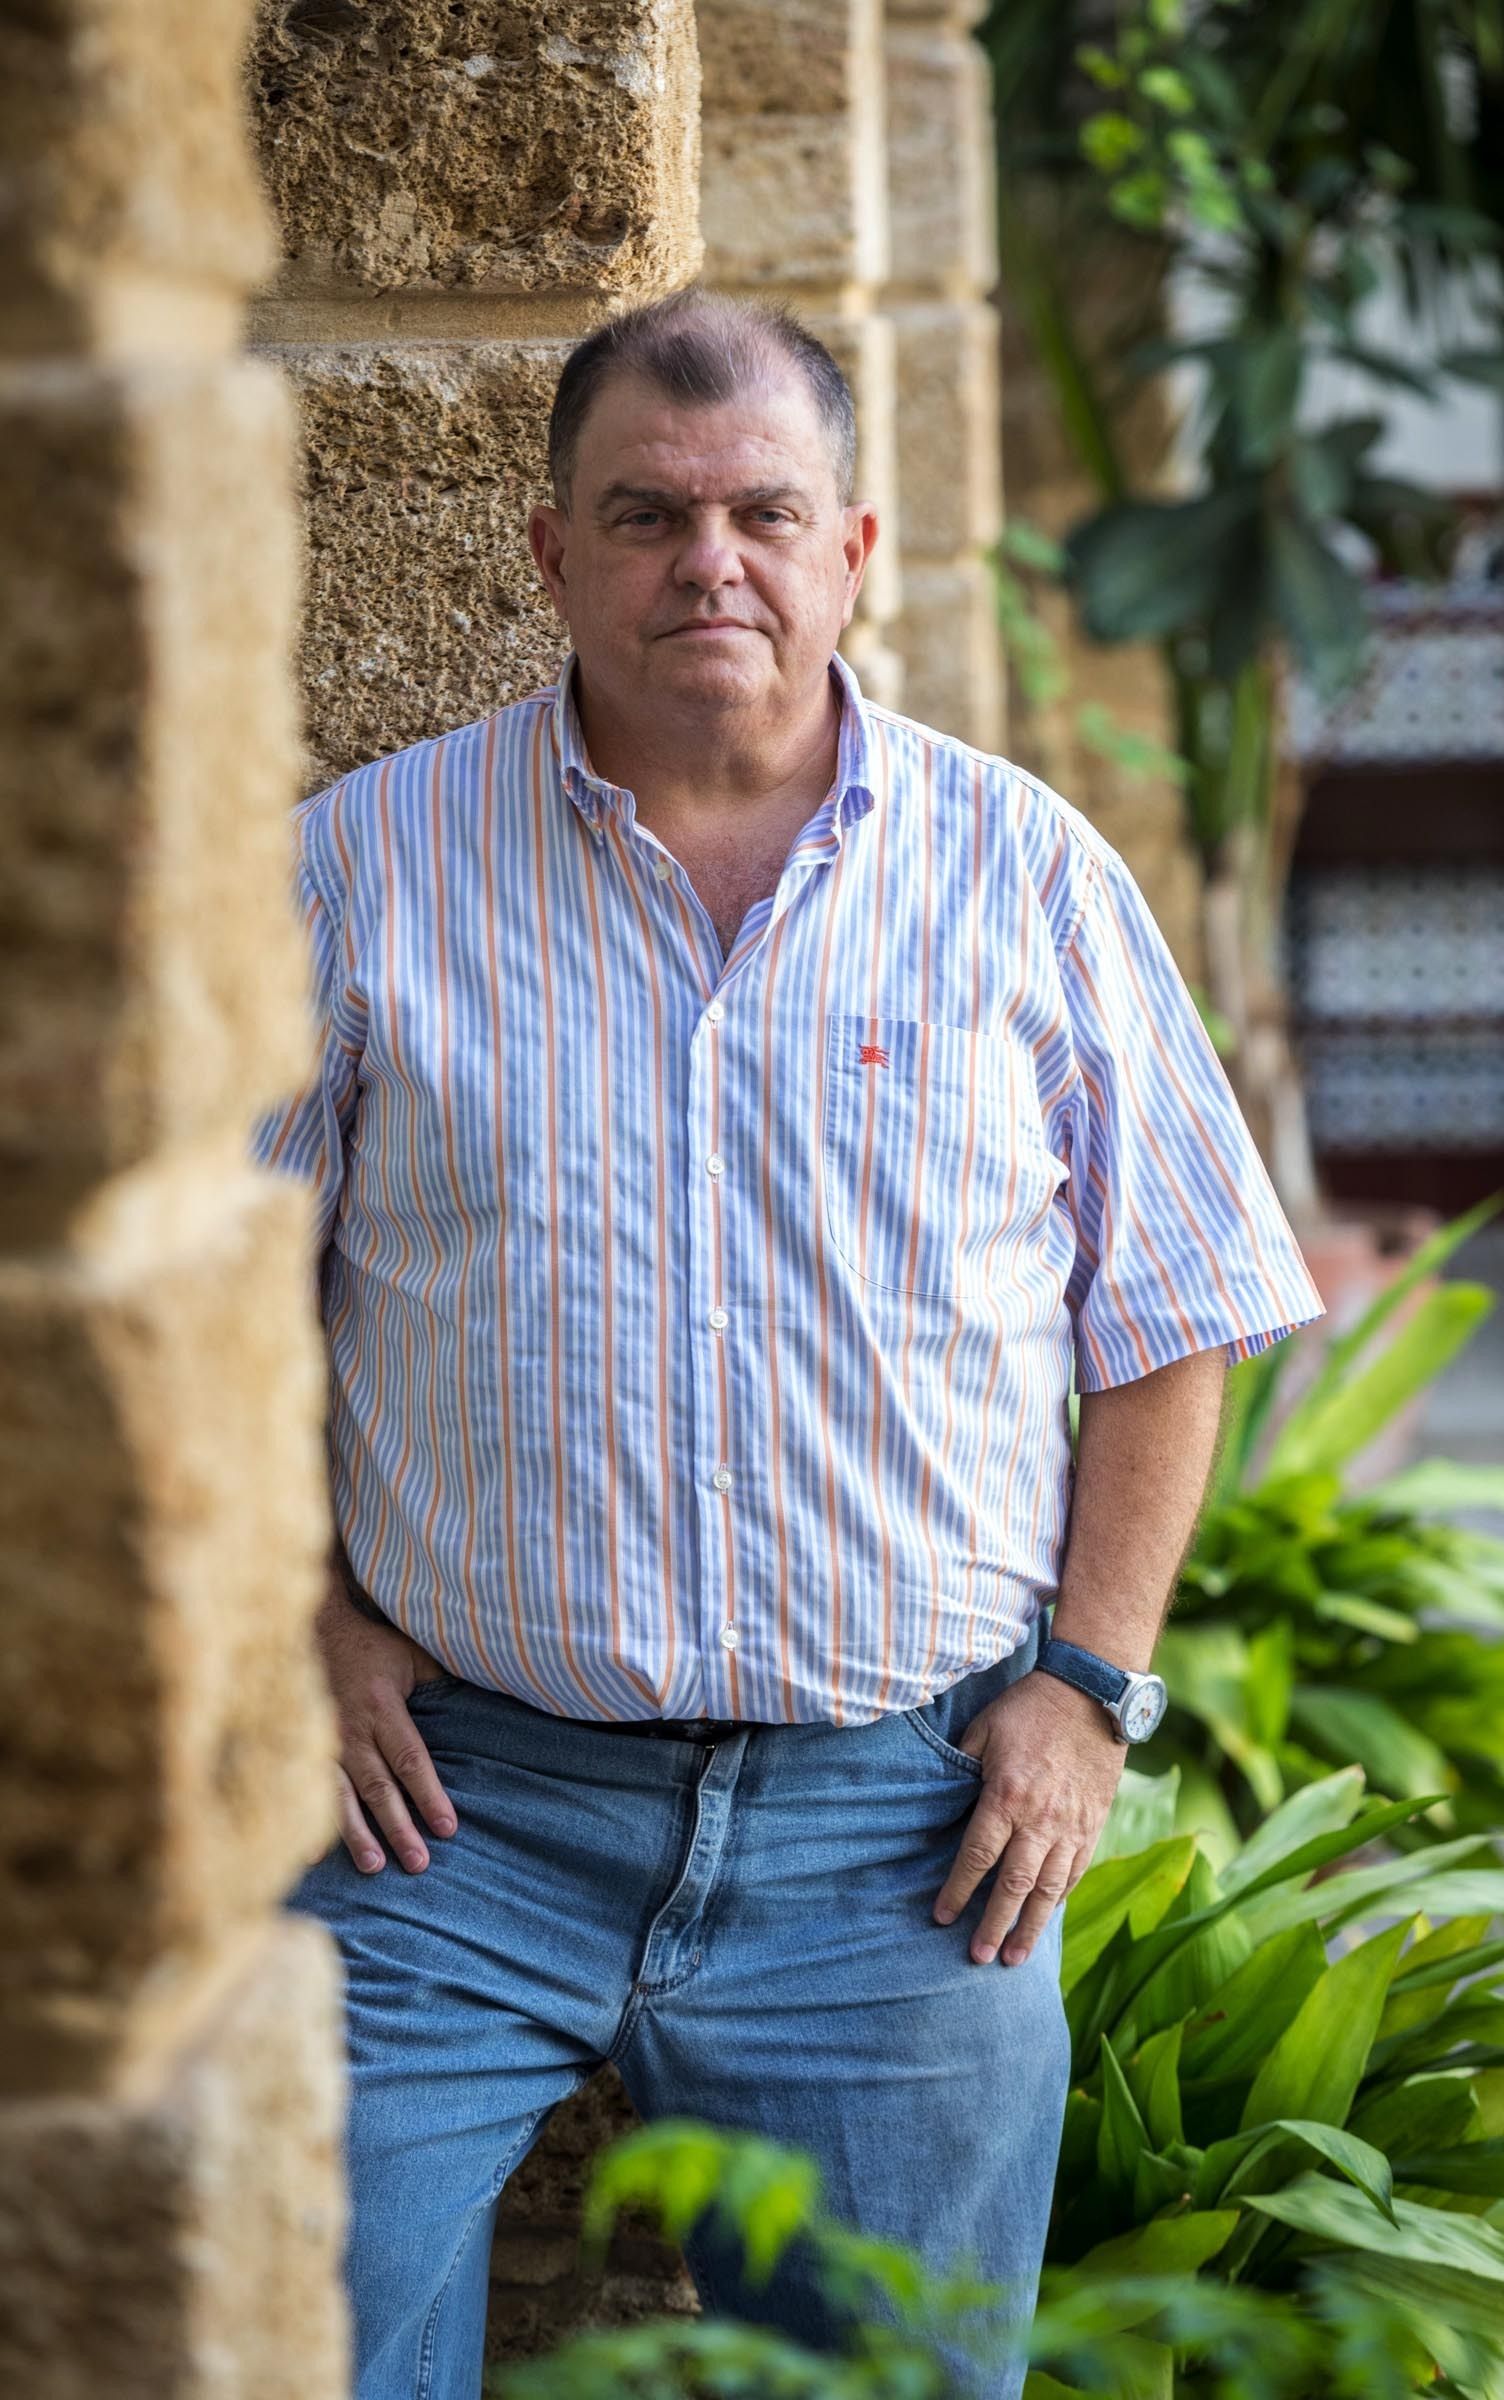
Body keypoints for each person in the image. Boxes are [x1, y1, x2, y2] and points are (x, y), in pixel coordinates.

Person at [257, 286, 1325, 2399]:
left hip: (903, 1842)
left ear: (850, 550)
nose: (707, 563)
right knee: (274, 2341)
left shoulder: (1023, 875)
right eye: (645, 515)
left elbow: (1174, 1311)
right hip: (450, 1817)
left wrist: (1087, 1693)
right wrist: (298, 1613)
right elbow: (216, 1300)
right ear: (552, 551)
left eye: (762, 513)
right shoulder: (359, 871)